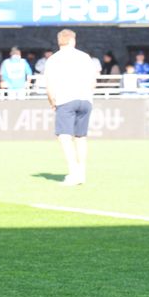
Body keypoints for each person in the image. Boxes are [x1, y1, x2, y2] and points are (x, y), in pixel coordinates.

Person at [44, 29, 96, 186]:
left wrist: (52, 102)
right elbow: (93, 80)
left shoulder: (54, 59)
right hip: (85, 99)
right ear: (73, 41)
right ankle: (82, 172)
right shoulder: (84, 57)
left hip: (66, 99)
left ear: (59, 41)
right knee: (81, 137)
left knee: (64, 136)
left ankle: (74, 172)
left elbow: (49, 85)